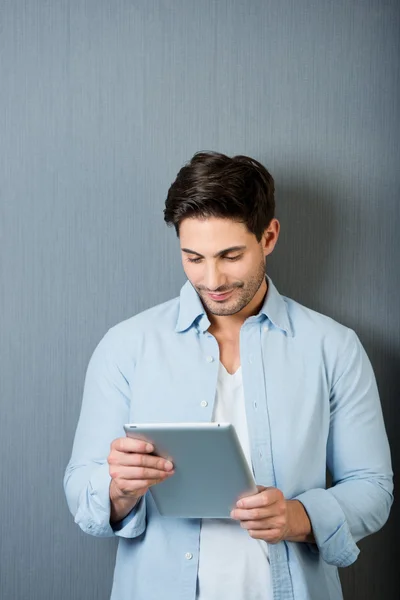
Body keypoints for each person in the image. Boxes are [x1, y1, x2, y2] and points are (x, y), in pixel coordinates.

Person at [64, 151, 393, 600]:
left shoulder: (333, 347)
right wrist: (119, 489)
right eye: (193, 257)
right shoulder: (126, 346)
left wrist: (297, 517)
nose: (212, 278)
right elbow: (81, 486)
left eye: (231, 255)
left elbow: (373, 488)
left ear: (269, 236)